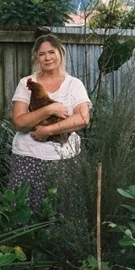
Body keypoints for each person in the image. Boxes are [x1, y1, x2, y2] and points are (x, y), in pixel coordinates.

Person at [8, 34, 92, 212]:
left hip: (64, 160)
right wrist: (49, 110)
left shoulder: (74, 85)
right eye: (42, 54)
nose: (47, 58)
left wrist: (47, 130)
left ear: (60, 53)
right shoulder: (27, 83)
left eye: (51, 52)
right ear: (36, 58)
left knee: (62, 212)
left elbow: (83, 118)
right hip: (27, 158)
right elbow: (19, 122)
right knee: (24, 211)